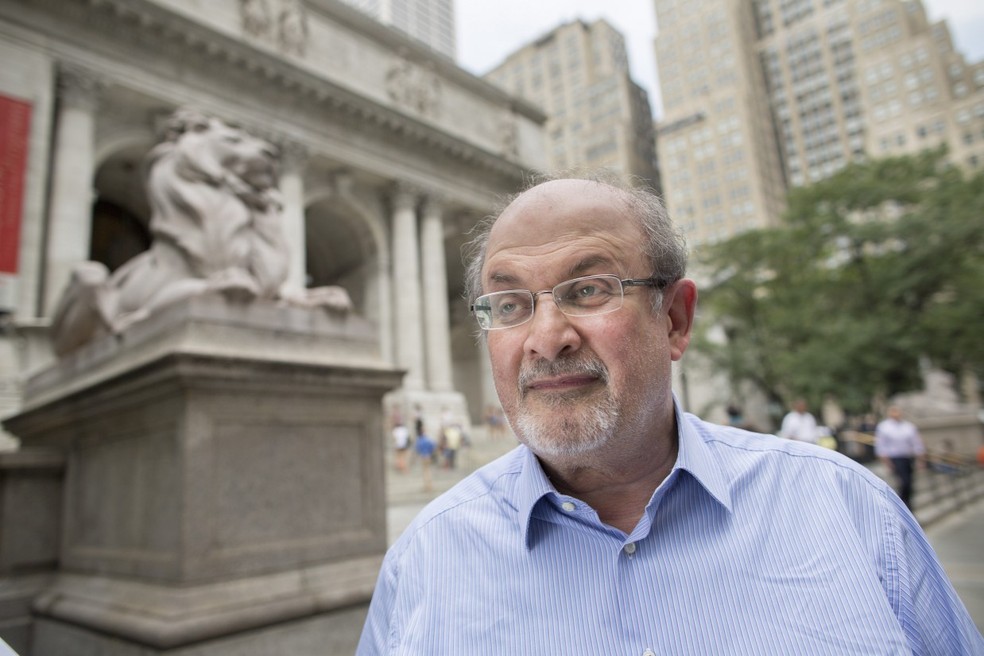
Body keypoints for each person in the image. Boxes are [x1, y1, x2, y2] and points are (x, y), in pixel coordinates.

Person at [358, 172, 983, 654]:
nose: (547, 338)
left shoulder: (851, 513)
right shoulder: (424, 561)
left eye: (589, 290)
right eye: (511, 303)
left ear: (675, 320)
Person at [875, 404, 927, 510]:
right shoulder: (884, 427)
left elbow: (917, 444)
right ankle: (902, 505)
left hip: (907, 457)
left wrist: (920, 459)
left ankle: (906, 504)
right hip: (894, 458)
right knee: (903, 482)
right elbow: (881, 445)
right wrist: (886, 461)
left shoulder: (908, 426)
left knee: (908, 482)